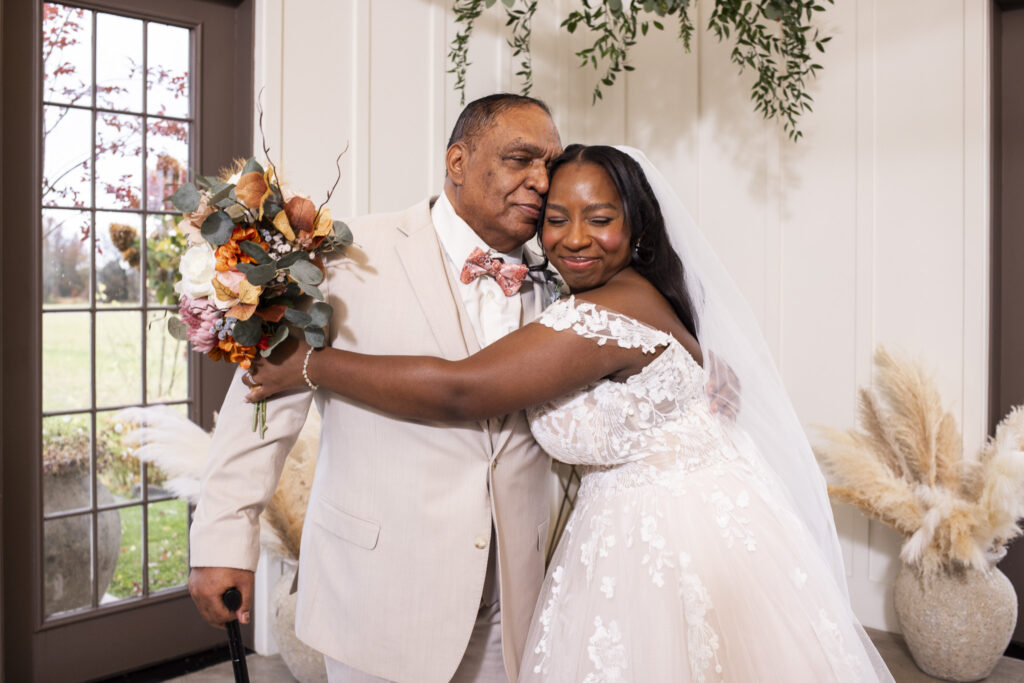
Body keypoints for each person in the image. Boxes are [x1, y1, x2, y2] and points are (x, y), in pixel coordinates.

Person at [245, 145, 895, 681]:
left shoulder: (609, 309)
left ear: (636, 227)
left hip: (670, 540)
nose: (575, 238)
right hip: (635, 523)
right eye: (557, 218)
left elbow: (463, 389)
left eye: (600, 217)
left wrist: (311, 365)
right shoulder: (622, 294)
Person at [189, 93, 563, 683]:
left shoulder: (562, 277)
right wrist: (221, 543)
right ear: (458, 161)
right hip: (378, 596)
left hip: (514, 600)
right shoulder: (346, 255)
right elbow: (262, 399)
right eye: (521, 159)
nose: (542, 181)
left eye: (551, 165)